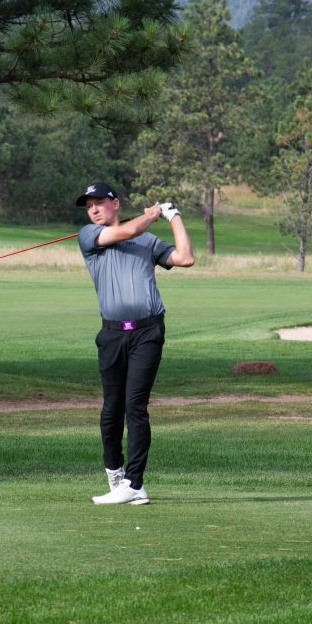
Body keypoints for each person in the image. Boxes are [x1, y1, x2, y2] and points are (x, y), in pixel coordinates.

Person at [75, 182, 194, 505]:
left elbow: (185, 258)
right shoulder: (88, 236)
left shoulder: (147, 240)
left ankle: (134, 482)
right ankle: (116, 476)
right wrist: (154, 213)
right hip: (112, 334)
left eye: (99, 203)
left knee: (135, 407)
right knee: (112, 409)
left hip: (147, 332)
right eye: (89, 206)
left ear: (116, 203)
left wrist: (173, 216)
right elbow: (124, 234)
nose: (94, 210)